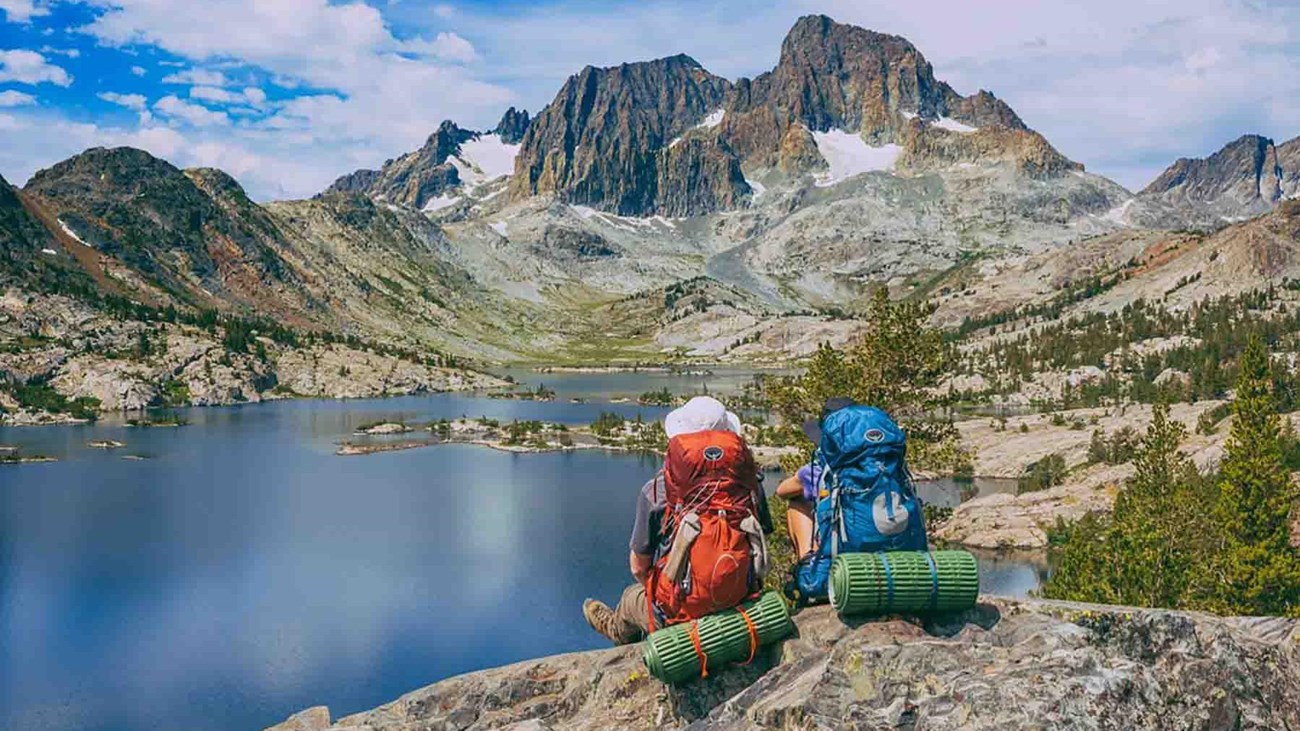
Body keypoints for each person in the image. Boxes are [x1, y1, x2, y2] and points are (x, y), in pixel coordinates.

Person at [583, 395, 761, 645]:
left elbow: (638, 567)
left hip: (680, 609)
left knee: (630, 599)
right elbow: (761, 540)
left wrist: (667, 589)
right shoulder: (750, 486)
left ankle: (618, 631)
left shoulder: (656, 491)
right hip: (739, 595)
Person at [774, 397, 855, 561]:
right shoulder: (883, 467)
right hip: (881, 539)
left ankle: (808, 560)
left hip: (840, 548)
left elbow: (781, 491)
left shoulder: (818, 472)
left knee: (797, 502)